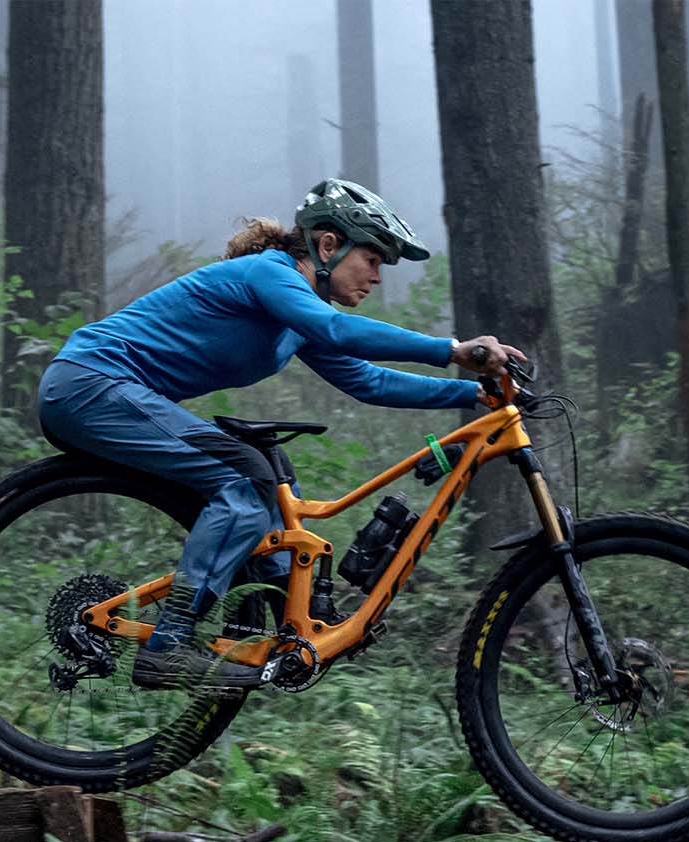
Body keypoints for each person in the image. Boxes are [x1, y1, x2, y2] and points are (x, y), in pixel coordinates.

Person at [38, 178, 525, 690]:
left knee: (264, 496)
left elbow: (366, 380)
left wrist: (472, 395)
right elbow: (337, 332)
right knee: (242, 484)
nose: (378, 277)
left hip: (113, 396)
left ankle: (280, 634)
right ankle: (170, 645)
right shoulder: (270, 274)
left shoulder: (298, 316)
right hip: (89, 384)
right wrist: (453, 350)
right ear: (329, 245)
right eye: (374, 259)